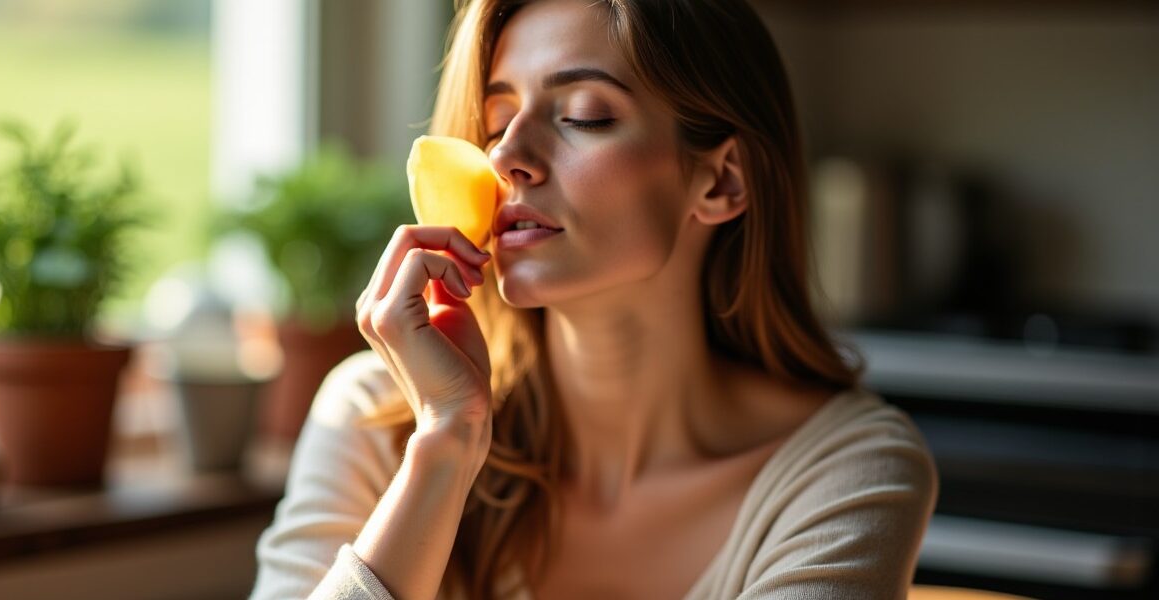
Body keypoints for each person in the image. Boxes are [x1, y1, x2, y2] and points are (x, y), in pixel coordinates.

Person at [252, 0, 938, 598]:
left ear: (722, 181)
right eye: (496, 120)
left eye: (583, 115)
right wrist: (446, 443)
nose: (508, 156)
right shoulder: (376, 419)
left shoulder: (849, 472)